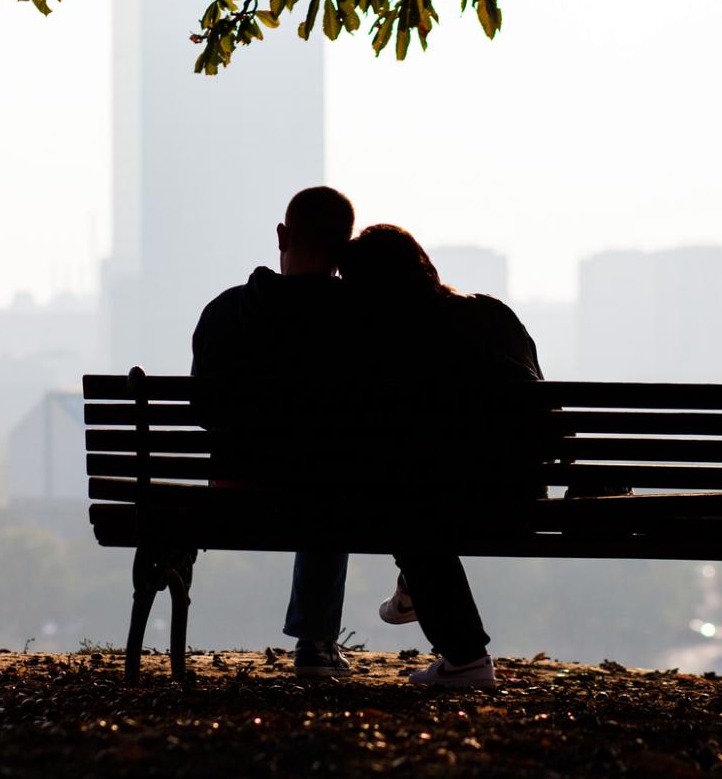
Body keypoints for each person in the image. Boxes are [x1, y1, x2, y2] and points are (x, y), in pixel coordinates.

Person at [337, 224, 543, 687]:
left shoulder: (393, 345)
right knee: (417, 494)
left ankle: (466, 656)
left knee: (405, 501)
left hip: (446, 502)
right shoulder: (491, 312)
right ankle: (414, 586)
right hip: (524, 491)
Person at [190, 185, 358, 678]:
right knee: (329, 480)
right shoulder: (359, 317)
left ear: (282, 235)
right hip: (328, 500)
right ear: (342, 251)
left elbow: (203, 411)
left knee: (323, 480)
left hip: (235, 494)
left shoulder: (225, 311)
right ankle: (315, 640)